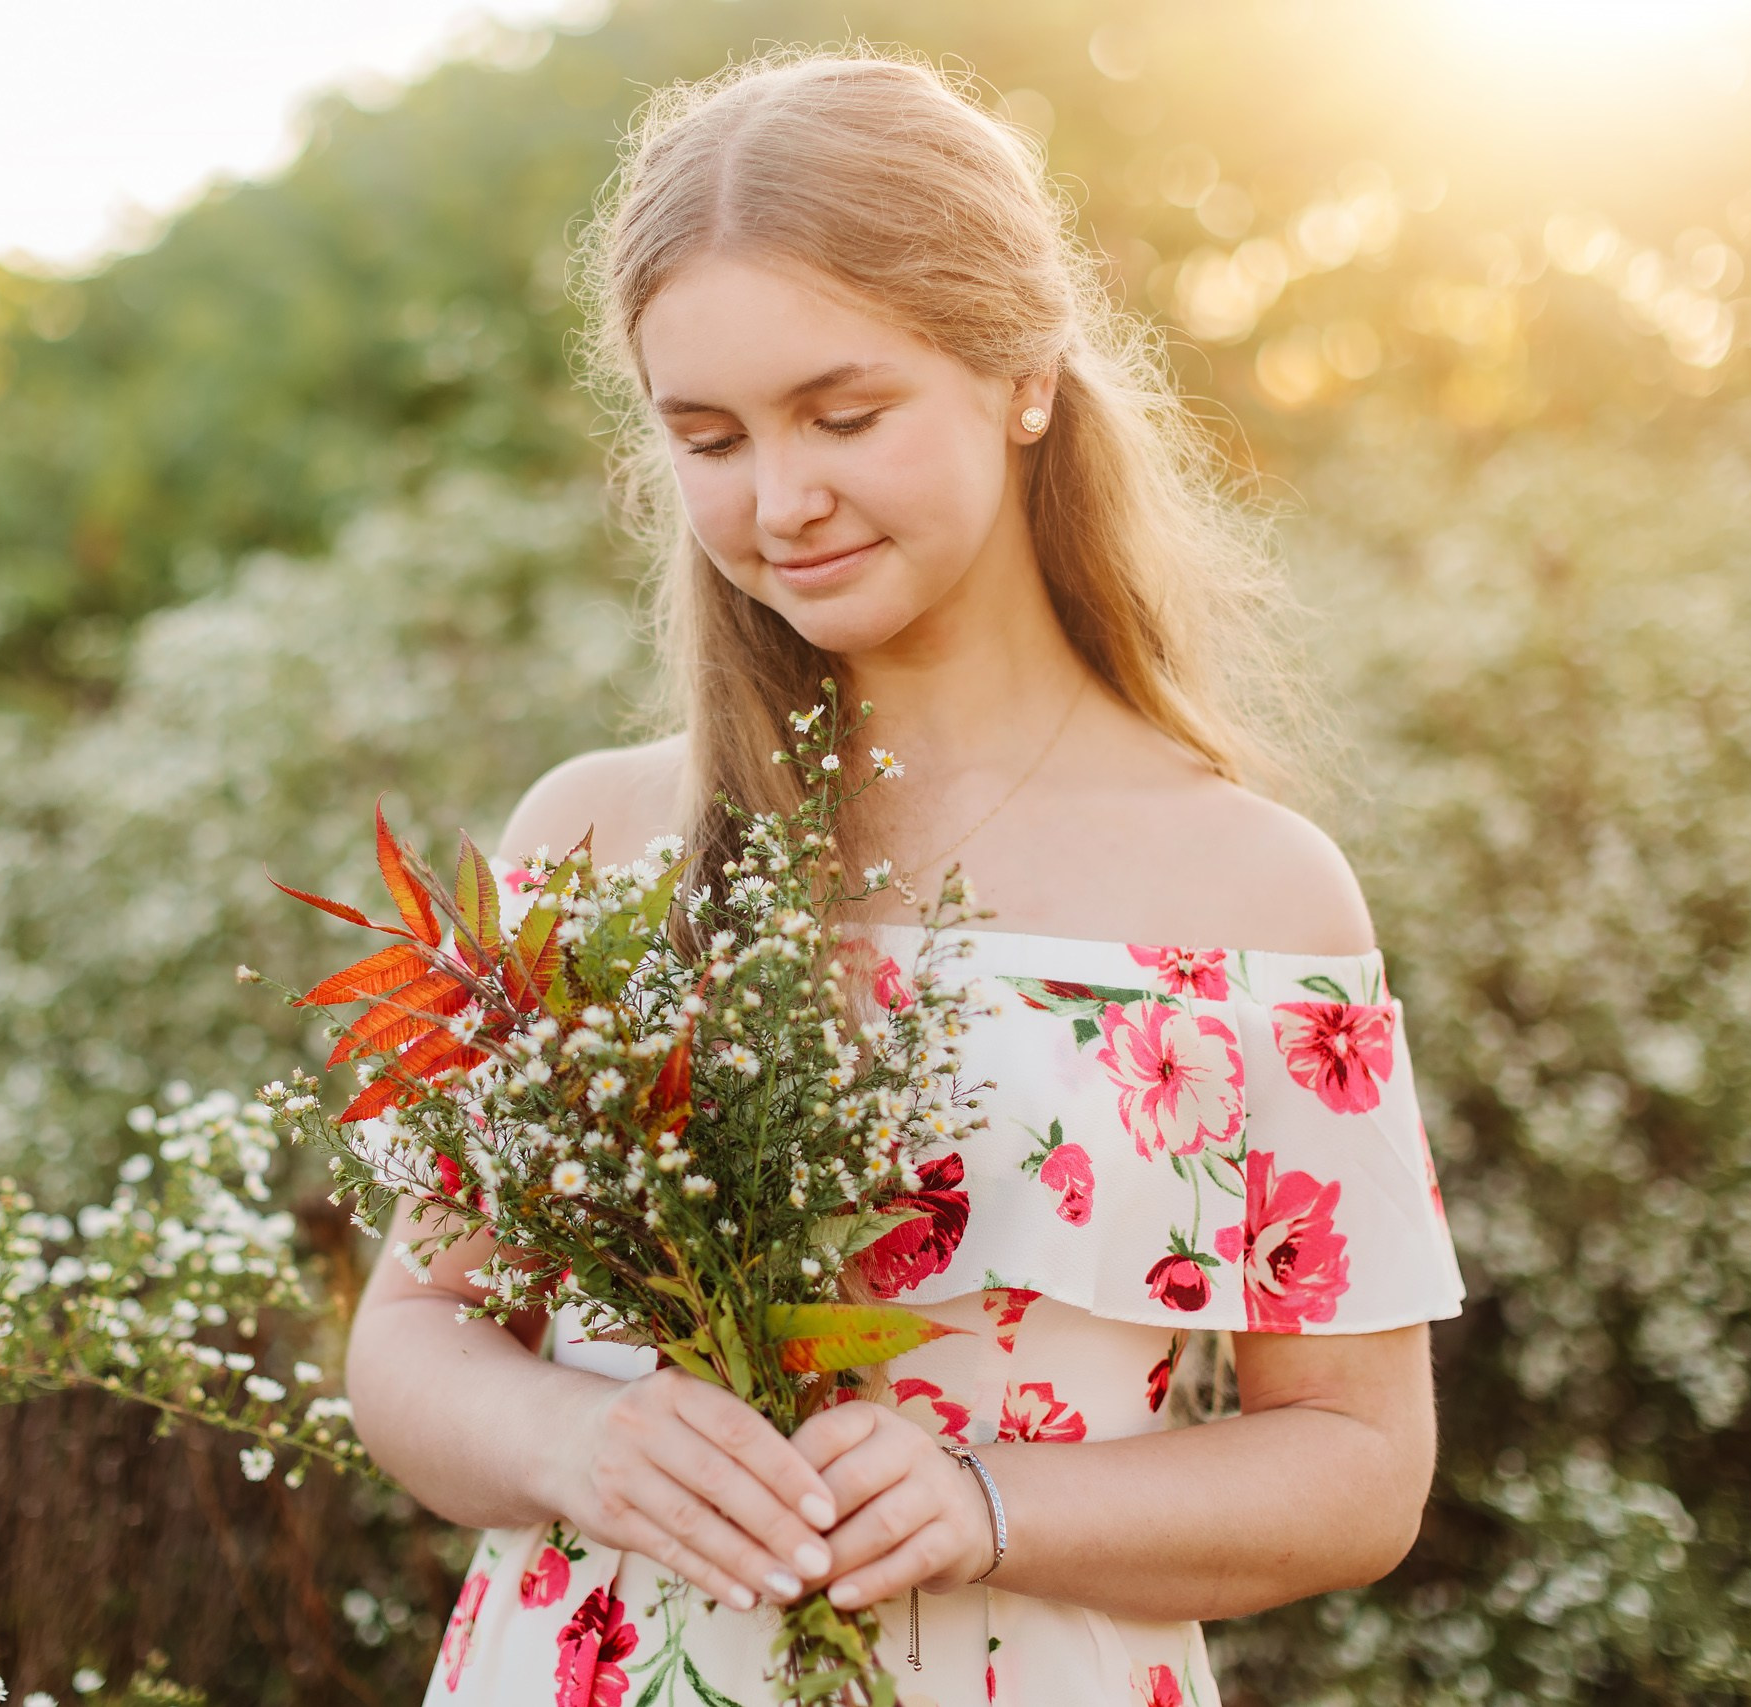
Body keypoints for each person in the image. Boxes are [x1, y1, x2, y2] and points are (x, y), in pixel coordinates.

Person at [342, 47, 1464, 1707]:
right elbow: (412, 1338)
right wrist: (580, 1442)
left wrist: (987, 1502)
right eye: (707, 437)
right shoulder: (596, 840)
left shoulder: (1254, 896)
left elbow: (1361, 1467)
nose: (779, 502)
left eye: (843, 415)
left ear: (1022, 375)